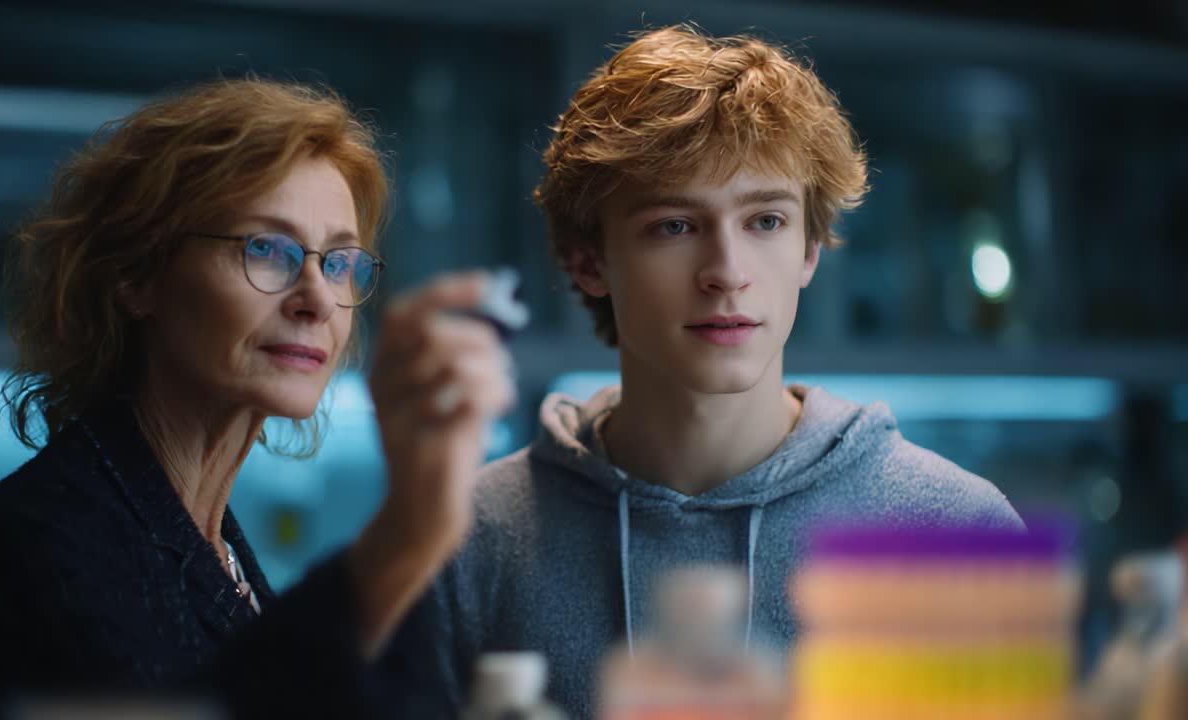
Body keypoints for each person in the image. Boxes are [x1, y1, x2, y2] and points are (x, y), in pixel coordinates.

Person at [420, 24, 1025, 719]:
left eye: (765, 221)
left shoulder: (957, 532)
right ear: (589, 261)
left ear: (810, 249)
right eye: (675, 226)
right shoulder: (465, 542)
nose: (727, 273)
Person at [0, 77, 513, 719]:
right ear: (137, 276)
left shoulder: (215, 540)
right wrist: (406, 537)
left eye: (338, 262)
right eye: (265, 249)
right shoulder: (35, 539)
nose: (318, 300)